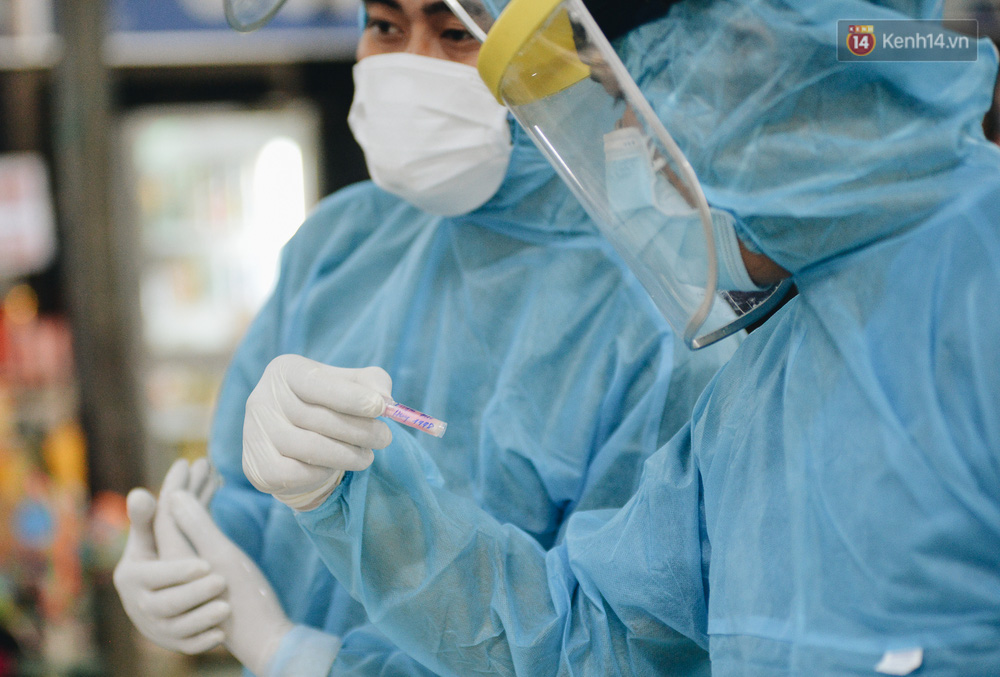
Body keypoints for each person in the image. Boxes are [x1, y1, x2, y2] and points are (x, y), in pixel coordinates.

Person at [163, 0, 1000, 674]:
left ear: (774, 60)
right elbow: (587, 635)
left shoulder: (975, 282)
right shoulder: (766, 379)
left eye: (657, 98)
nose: (639, 152)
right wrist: (347, 496)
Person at [113, 0, 740, 675]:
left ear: (566, 53)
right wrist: (193, 557)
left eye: (456, 32)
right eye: (384, 26)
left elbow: (605, 642)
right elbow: (248, 497)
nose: (410, 64)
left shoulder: (656, 310)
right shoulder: (338, 243)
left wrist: (296, 655)